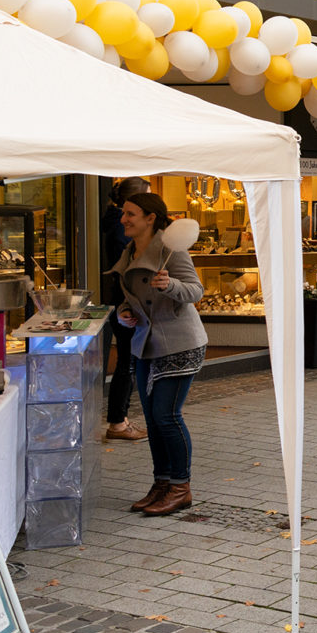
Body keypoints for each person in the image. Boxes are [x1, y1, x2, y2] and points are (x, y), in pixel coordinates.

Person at [111, 193, 207, 517]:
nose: (123, 219)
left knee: (167, 416)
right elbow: (131, 299)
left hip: (180, 342)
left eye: (130, 214)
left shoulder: (170, 249)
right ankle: (162, 483)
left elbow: (195, 291)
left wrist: (170, 286)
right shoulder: (128, 252)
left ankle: (181, 487)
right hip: (146, 343)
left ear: (150, 218)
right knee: (152, 420)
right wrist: (124, 313)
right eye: (123, 213)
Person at [102, 176, 148, 442]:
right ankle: (118, 422)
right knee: (127, 363)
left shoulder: (113, 222)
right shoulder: (122, 229)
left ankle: (121, 419)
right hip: (124, 303)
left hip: (121, 301)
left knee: (126, 362)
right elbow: (126, 268)